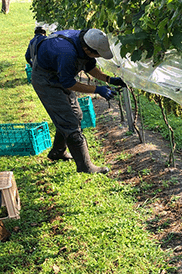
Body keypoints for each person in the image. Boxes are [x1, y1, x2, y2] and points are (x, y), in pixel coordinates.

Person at [28, 28, 127, 173]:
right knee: (70, 123)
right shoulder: (66, 53)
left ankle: (58, 152)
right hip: (46, 81)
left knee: (76, 115)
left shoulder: (85, 39)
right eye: (97, 54)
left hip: (58, 74)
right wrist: (97, 90)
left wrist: (109, 79)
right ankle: (85, 167)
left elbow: (89, 66)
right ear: (88, 49)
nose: (98, 56)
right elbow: (68, 83)